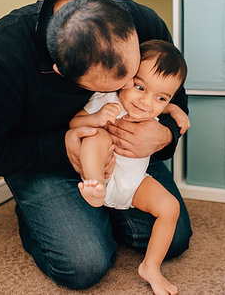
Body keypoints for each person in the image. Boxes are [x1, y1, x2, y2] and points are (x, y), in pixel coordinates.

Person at [0, 0, 192, 290]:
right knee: (85, 265)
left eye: (133, 76)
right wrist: (62, 147)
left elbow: (174, 98)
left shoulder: (145, 22)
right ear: (60, 71)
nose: (128, 92)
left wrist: (165, 134)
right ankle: (49, 216)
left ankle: (97, 207)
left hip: (126, 158)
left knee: (174, 239)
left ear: (132, 31)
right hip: (42, 158)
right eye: (112, 87)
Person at [69, 39, 189, 295]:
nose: (146, 102)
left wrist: (174, 108)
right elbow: (74, 123)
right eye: (139, 86)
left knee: (170, 208)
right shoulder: (106, 99)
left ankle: (151, 267)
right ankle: (94, 186)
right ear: (125, 77)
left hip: (134, 184)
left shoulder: (150, 107)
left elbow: (157, 101)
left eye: (161, 97)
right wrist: (95, 118)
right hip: (103, 174)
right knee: (96, 136)